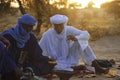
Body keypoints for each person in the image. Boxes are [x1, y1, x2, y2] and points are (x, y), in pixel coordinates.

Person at [39, 14, 108, 74]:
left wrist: (76, 38)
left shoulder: (69, 29)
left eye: (60, 25)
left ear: (64, 24)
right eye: (56, 26)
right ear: (53, 26)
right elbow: (39, 48)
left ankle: (96, 65)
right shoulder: (47, 34)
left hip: (71, 57)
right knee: (56, 67)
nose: (58, 28)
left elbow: (85, 34)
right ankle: (74, 67)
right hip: (57, 61)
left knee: (81, 41)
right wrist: (47, 58)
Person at [0, 14, 54, 80]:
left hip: (24, 64)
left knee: (46, 65)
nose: (29, 29)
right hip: (9, 65)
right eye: (26, 26)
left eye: (31, 27)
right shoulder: (8, 36)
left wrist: (47, 59)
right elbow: (5, 56)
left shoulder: (30, 37)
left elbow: (36, 53)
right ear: (20, 25)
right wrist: (14, 68)